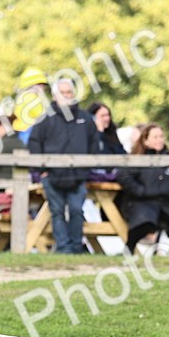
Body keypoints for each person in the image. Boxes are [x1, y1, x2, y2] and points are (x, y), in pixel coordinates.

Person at [27, 78, 98, 254]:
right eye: (62, 93)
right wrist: (42, 171)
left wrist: (86, 170)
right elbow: (34, 145)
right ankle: (64, 248)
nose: (66, 96)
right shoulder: (45, 119)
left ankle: (76, 247)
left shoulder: (85, 119)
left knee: (76, 210)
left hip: (78, 176)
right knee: (57, 212)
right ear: (54, 96)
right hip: (52, 176)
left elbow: (94, 145)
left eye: (69, 92)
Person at [117, 123, 169, 254]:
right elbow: (124, 177)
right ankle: (129, 250)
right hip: (142, 202)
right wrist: (140, 191)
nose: (159, 140)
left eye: (161, 136)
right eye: (155, 137)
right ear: (145, 140)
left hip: (168, 203)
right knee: (144, 222)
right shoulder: (137, 159)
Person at [13, 67, 51, 145]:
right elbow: (43, 117)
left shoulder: (22, 97)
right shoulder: (32, 98)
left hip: (20, 133)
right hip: (28, 133)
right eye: (41, 85)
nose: (43, 88)